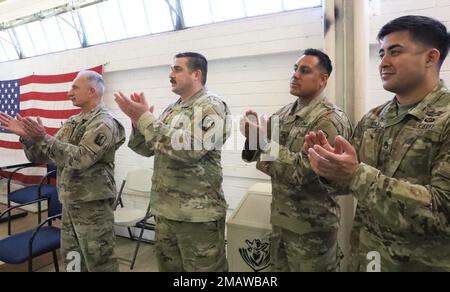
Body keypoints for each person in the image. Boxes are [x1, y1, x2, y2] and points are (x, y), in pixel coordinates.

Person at [305, 15, 450, 272]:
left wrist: (356, 174)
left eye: (395, 52)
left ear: (430, 57)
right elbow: (349, 183)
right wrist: (329, 168)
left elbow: (442, 211)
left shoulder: (445, 120)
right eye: (381, 53)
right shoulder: (374, 118)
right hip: (367, 257)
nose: (383, 62)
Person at [114, 52, 231, 272]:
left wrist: (145, 119)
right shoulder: (172, 109)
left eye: (177, 69)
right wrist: (137, 122)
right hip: (165, 211)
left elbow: (190, 150)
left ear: (196, 74)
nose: (170, 74)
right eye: (171, 69)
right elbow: (146, 149)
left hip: (197, 216)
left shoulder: (212, 106)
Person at [0, 70, 125, 272]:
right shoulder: (73, 122)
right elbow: (43, 156)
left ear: (92, 91)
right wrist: (29, 138)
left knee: (99, 261)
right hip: (70, 202)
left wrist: (44, 138)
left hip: (92, 206)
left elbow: (81, 158)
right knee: (72, 256)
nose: (69, 93)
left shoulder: (104, 123)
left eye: (74, 87)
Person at [241, 49, 353, 272]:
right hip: (282, 222)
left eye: (304, 71)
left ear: (322, 80)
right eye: (294, 69)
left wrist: (262, 141)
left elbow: (303, 172)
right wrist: (253, 137)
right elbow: (260, 153)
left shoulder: (329, 120)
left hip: (312, 231)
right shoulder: (285, 113)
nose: (295, 75)